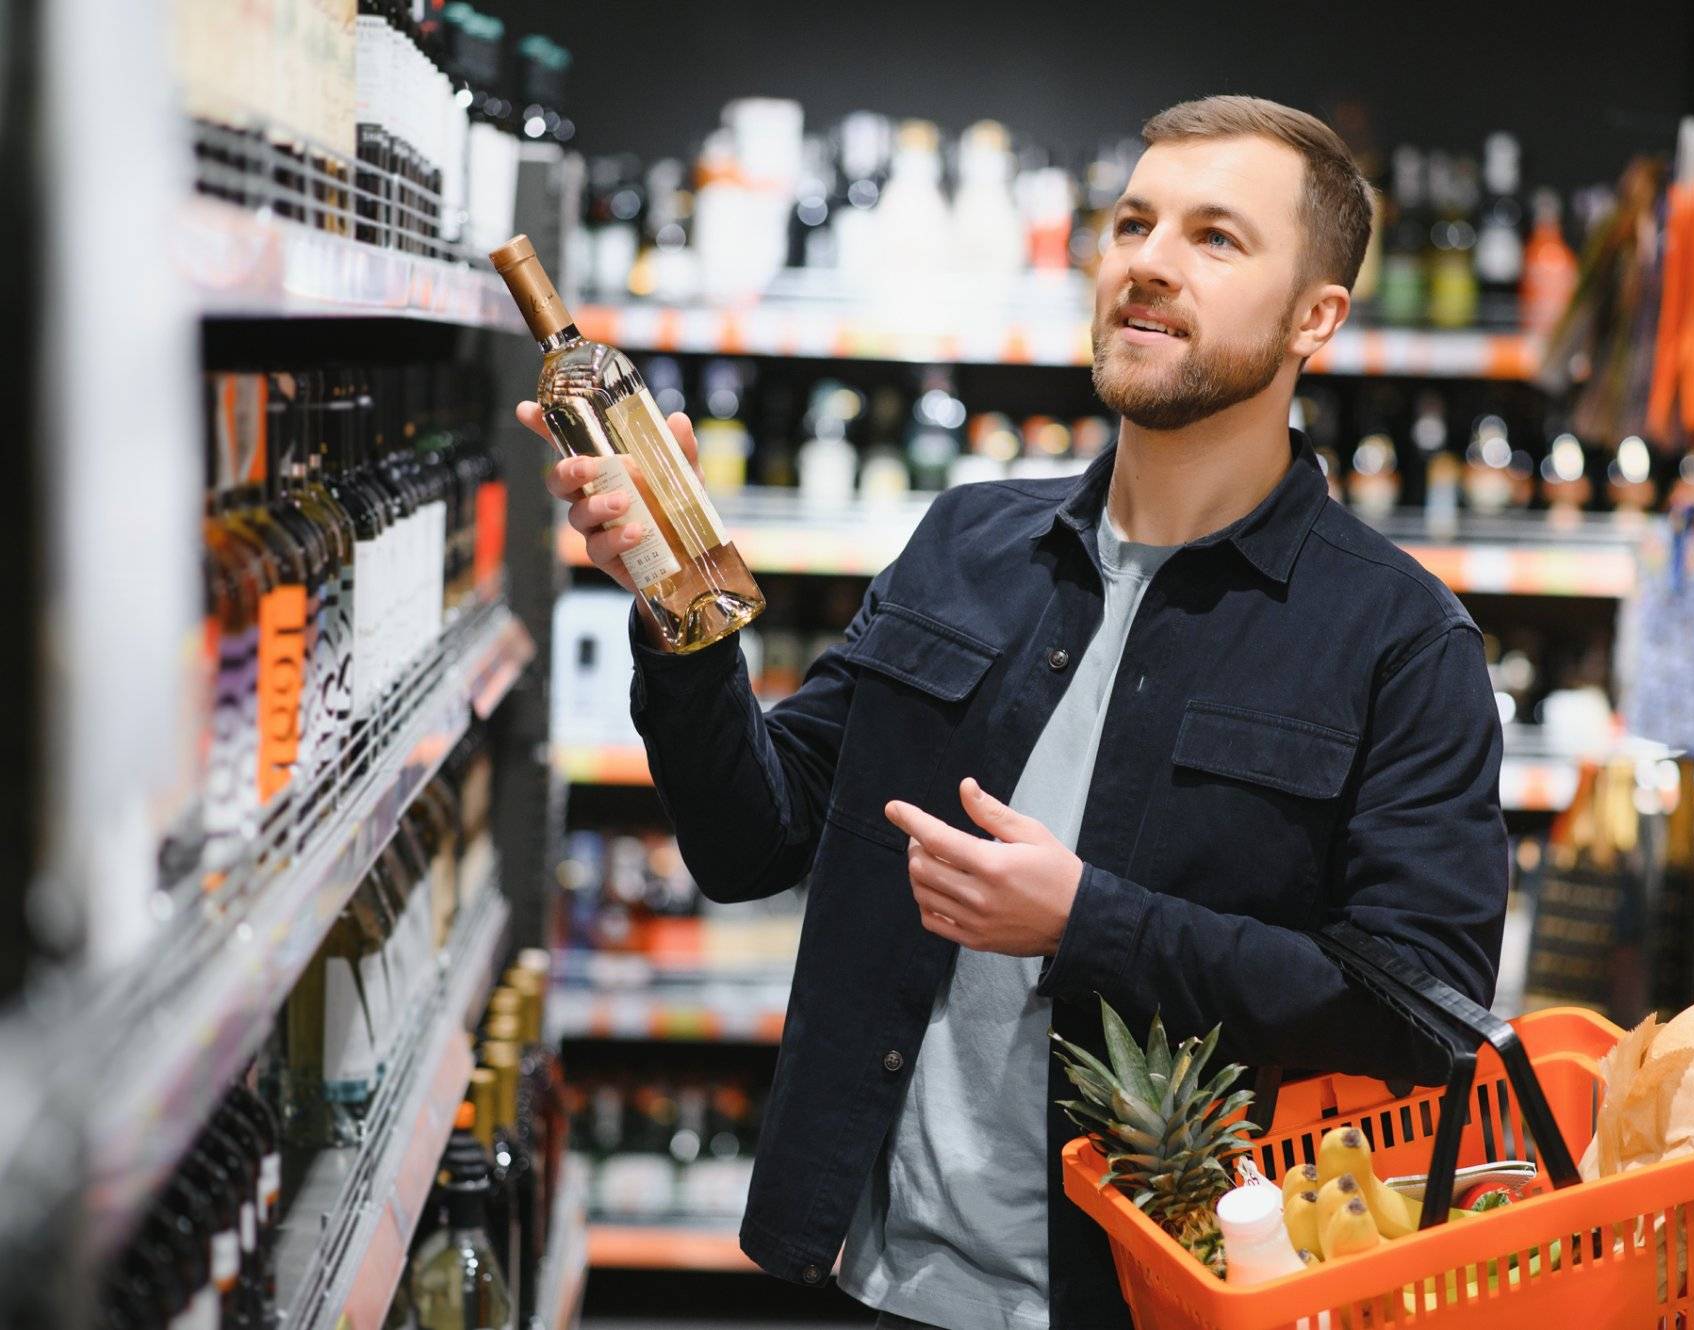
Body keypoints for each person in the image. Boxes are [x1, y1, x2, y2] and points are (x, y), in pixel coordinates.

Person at [521, 95, 1507, 1330]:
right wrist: (675, 593)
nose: (1146, 261)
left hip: (1156, 1298)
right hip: (865, 1281)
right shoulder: (965, 542)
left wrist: (1087, 921)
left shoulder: (1399, 641)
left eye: (1214, 238)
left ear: (1316, 316)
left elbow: (1426, 1015)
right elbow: (748, 839)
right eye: (1133, 223)